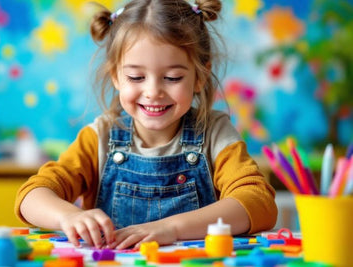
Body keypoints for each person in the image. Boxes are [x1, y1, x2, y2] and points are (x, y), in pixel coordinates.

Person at [14, 0, 277, 250]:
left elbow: (258, 203)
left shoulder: (214, 134)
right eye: (136, 76)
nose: (153, 92)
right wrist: (67, 217)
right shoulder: (100, 137)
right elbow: (30, 196)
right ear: (116, 76)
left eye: (172, 78)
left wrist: (172, 228)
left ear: (200, 77)